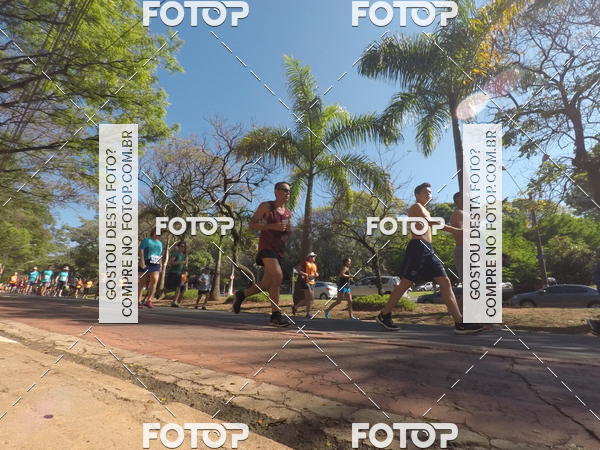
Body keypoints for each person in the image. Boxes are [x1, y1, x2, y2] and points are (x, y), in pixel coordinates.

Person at [376, 183, 485, 335]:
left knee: (445, 282)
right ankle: (384, 314)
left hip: (428, 249)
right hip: (418, 247)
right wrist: (456, 230)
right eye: (425, 192)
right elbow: (430, 222)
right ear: (417, 194)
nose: (429, 195)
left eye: (430, 193)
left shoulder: (425, 209)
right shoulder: (416, 207)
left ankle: (460, 323)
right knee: (406, 283)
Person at [233, 182, 292, 327]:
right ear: (276, 191)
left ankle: (242, 294)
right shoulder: (266, 206)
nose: (288, 193)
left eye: (289, 191)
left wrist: (287, 230)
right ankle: (275, 315)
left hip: (279, 250)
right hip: (266, 248)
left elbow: (286, 229)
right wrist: (271, 226)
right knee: (277, 276)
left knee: (266, 284)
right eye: (285, 190)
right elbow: (252, 224)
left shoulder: (287, 212)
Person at [138, 230, 163, 309]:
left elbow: (160, 254)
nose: (158, 234)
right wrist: (142, 261)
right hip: (146, 261)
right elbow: (141, 250)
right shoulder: (146, 240)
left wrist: (161, 264)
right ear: (153, 232)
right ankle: (138, 301)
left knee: (155, 280)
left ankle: (149, 300)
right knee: (142, 281)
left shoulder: (160, 243)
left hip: (156, 263)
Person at [293, 252, 319, 318]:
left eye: (314, 256)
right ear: (309, 257)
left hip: (312, 282)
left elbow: (314, 273)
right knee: (310, 297)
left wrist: (316, 274)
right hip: (305, 282)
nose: (314, 257)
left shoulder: (314, 265)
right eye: (312, 256)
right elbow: (297, 270)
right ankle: (306, 313)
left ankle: (297, 308)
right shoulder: (305, 263)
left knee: (309, 299)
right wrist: (304, 274)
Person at [168, 241, 188, 307]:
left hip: (181, 274)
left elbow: (185, 266)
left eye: (184, 247)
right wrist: (181, 262)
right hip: (173, 272)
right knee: (169, 287)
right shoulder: (175, 254)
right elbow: (171, 263)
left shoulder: (184, 256)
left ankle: (175, 302)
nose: (183, 248)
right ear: (178, 247)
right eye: (181, 246)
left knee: (180, 287)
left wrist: (186, 273)